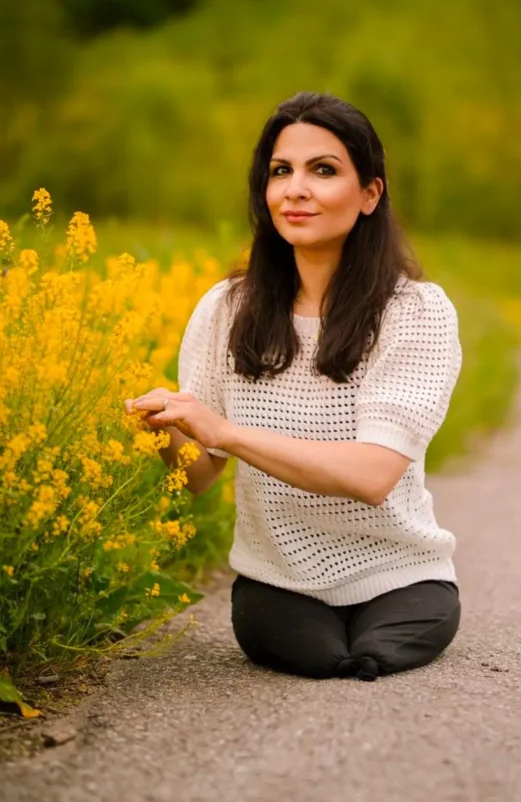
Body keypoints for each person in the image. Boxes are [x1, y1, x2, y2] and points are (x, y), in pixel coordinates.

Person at [124, 91, 462, 682]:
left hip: (399, 570)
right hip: (277, 574)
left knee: (379, 651)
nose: (295, 189)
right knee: (312, 654)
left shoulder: (417, 311)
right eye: (281, 171)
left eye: (323, 171)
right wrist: (156, 426)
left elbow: (372, 475)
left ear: (369, 194)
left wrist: (226, 431)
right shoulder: (226, 309)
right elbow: (200, 475)